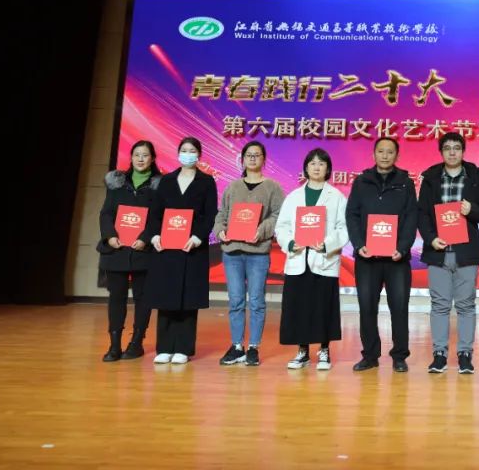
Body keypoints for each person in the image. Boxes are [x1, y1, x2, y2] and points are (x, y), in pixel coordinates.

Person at [417, 132, 479, 375]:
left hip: (466, 251)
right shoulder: (430, 179)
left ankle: (465, 354)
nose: (452, 152)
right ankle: (439, 354)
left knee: (466, 305)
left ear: (463, 151)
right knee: (439, 305)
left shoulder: (476, 178)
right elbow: (422, 214)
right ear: (441, 152)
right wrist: (431, 238)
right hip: (438, 251)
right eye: (447, 148)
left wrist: (472, 210)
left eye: (456, 148)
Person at [141, 137, 218, 365]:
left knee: (188, 298)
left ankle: (183, 348)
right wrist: (154, 236)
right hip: (166, 247)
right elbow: (155, 213)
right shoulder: (166, 181)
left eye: (192, 150)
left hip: (192, 247)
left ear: (199, 155)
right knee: (165, 295)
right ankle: (164, 347)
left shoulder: (206, 182)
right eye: (184, 150)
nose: (188, 154)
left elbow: (210, 215)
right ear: (178, 154)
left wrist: (197, 237)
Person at [346, 137, 419, 372]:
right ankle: (370, 355)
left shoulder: (405, 183)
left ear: (397, 156)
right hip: (367, 258)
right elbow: (352, 215)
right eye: (380, 151)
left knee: (399, 307)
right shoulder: (361, 182)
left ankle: (399, 356)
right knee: (367, 307)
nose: (385, 155)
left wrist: (403, 247)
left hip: (397, 258)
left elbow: (411, 217)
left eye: (390, 152)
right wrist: (359, 244)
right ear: (373, 154)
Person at [274, 148, 348, 371]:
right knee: (299, 307)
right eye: (312, 163)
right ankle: (302, 351)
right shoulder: (293, 196)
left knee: (323, 307)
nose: (317, 167)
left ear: (328, 169)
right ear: (306, 168)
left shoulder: (336, 197)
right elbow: (282, 226)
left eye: (321, 163)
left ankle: (324, 350)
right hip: (298, 259)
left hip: (324, 259)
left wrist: (327, 244)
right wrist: (289, 243)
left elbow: (343, 228)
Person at [213, 141, 285, 367]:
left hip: (258, 253)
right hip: (232, 252)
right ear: (242, 159)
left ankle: (253, 347)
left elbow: (278, 215)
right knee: (235, 300)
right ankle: (237, 346)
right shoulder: (232, 187)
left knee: (256, 301)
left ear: (264, 159)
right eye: (249, 155)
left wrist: (261, 231)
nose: (252, 158)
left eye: (257, 155)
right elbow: (221, 213)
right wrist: (220, 230)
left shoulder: (273, 187)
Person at [97, 140, 161, 361]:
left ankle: (136, 343)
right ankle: (114, 345)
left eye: (145, 155)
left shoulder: (160, 186)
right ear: (131, 157)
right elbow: (106, 213)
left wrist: (145, 238)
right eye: (136, 155)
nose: (140, 159)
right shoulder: (117, 184)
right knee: (117, 297)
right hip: (117, 249)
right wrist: (110, 236)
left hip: (144, 251)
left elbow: (159, 217)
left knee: (143, 298)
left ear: (153, 158)